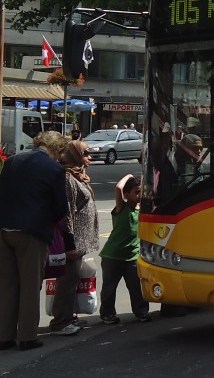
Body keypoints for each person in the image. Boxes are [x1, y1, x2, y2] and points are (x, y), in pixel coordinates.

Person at [0, 125, 73, 351]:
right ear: (56, 149)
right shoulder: (54, 170)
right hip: (31, 230)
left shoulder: (12, 161)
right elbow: (60, 208)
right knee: (30, 285)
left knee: (5, 285)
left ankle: (4, 337)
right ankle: (27, 336)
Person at [48, 140, 99, 336]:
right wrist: (69, 244)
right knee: (68, 279)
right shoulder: (67, 178)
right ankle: (60, 321)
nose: (89, 157)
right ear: (74, 155)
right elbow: (67, 212)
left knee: (74, 278)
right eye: (85, 153)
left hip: (80, 240)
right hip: (73, 240)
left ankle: (70, 316)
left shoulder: (78, 176)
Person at [99, 174, 150, 324]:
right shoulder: (122, 207)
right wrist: (128, 176)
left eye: (140, 191)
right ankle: (107, 314)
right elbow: (118, 187)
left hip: (132, 257)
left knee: (136, 287)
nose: (139, 195)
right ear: (126, 194)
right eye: (136, 192)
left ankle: (141, 312)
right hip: (113, 256)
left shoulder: (143, 209)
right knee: (109, 288)